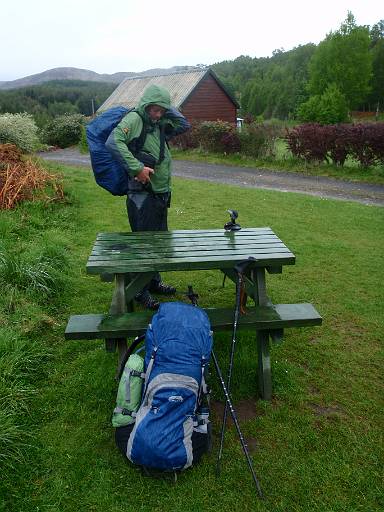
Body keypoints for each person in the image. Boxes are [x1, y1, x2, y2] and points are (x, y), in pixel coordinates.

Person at [106, 84, 190, 309]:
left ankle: (153, 282)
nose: (158, 114)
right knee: (143, 244)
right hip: (141, 194)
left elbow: (184, 124)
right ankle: (139, 291)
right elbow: (113, 142)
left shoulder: (159, 123)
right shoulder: (135, 120)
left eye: (161, 110)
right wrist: (137, 168)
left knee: (158, 242)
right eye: (154, 109)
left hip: (160, 193)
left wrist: (166, 106)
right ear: (146, 105)